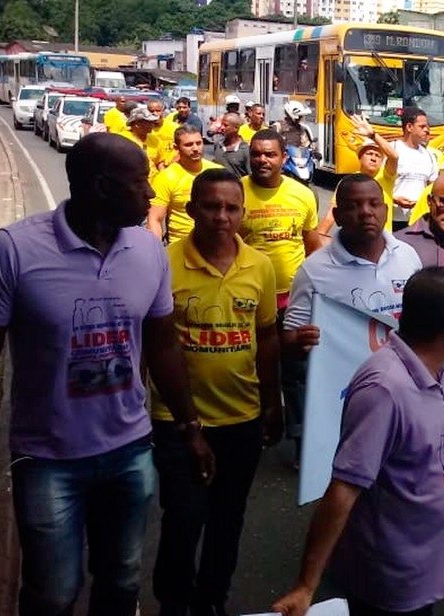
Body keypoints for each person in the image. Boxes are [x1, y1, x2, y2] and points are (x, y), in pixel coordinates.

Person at [0, 133, 213, 616]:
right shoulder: (12, 251)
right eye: (139, 183)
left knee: (122, 579)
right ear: (102, 187)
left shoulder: (149, 252)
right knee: (52, 592)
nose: (150, 195)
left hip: (129, 452)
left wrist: (191, 427)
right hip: (47, 458)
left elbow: (163, 343)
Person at [272, 267, 444, 616]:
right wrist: (307, 586)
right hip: (390, 582)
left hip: (424, 569)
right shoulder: (384, 390)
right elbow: (342, 491)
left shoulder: (436, 368)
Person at [150, 168, 281, 616]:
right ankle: (173, 602)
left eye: (231, 208)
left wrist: (272, 402)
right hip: (175, 420)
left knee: (228, 520)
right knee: (185, 517)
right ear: (192, 210)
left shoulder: (259, 266)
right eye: (211, 206)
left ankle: (211, 601)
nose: (222, 217)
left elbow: (265, 337)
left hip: (241, 420)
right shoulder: (162, 263)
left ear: (243, 213)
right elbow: (155, 342)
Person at [242, 129, 321, 464]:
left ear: (284, 158)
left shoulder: (302, 196)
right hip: (246, 303)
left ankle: (302, 443)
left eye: (270, 154)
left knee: (297, 374)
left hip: (293, 303)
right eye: (257, 154)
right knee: (249, 371)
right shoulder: (238, 193)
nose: (262, 160)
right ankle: (252, 432)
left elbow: (313, 246)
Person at [282, 174, 423, 357]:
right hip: (345, 382)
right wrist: (300, 339)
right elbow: (289, 338)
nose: (366, 212)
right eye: (353, 206)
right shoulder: (313, 271)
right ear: (337, 216)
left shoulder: (408, 255)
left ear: (386, 211)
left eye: (374, 204)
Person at [316, 114, 399, 239]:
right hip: (355, 239)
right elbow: (332, 212)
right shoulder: (348, 181)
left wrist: (373, 135)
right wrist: (319, 237)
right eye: (369, 154)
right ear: (360, 158)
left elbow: (394, 156)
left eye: (378, 156)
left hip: (382, 239)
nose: (373, 158)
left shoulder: (386, 176)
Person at [146, 124, 223, 243]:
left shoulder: (218, 172)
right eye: (188, 145)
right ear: (176, 148)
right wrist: (155, 251)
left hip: (216, 243)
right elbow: (154, 219)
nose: (195, 148)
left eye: (199, 143)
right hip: (181, 246)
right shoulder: (166, 177)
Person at [390, 106, 439, 230]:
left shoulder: (429, 156)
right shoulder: (392, 150)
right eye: (422, 127)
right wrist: (394, 199)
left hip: (419, 221)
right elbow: (378, 184)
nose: (427, 130)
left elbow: (432, 188)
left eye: (427, 126)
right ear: (409, 127)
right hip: (392, 219)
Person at [119, 105, 162, 178]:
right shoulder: (122, 139)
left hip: (153, 181)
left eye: (152, 122)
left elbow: (160, 162)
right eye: (148, 122)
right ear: (137, 124)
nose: (152, 125)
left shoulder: (155, 140)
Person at [212, 112, 252, 177]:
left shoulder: (245, 150)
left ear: (236, 128)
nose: (222, 128)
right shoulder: (218, 145)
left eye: (225, 125)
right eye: (221, 124)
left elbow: (250, 175)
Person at [147, 99, 180, 174]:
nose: (155, 113)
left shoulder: (174, 128)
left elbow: (182, 148)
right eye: (151, 111)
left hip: (173, 167)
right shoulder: (145, 130)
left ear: (162, 111)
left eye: (158, 111)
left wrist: (173, 162)